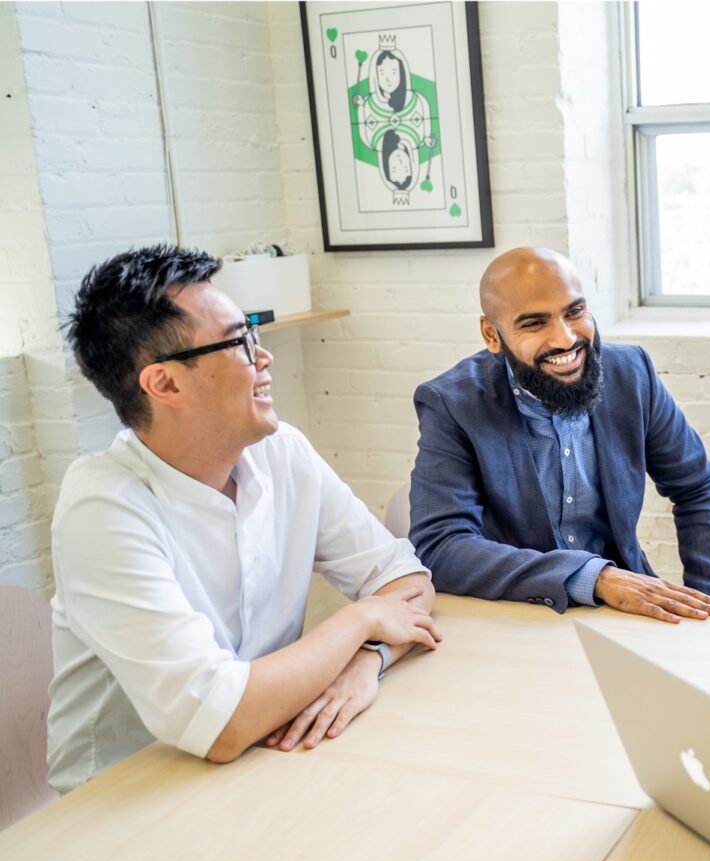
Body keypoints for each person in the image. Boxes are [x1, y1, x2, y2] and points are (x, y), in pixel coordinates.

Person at [48, 245, 440, 793]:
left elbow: (406, 582)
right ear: (164, 384)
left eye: (254, 332)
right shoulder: (103, 509)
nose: (264, 357)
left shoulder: (281, 452)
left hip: (268, 755)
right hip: (129, 797)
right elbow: (220, 722)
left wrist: (366, 661)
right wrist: (359, 621)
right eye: (240, 341)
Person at [410, 247, 710, 622]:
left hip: (622, 611)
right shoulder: (451, 403)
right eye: (534, 323)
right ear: (492, 335)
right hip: (515, 615)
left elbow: (696, 488)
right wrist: (593, 577)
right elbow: (440, 545)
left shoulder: (633, 374)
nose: (565, 340)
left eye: (575, 312)